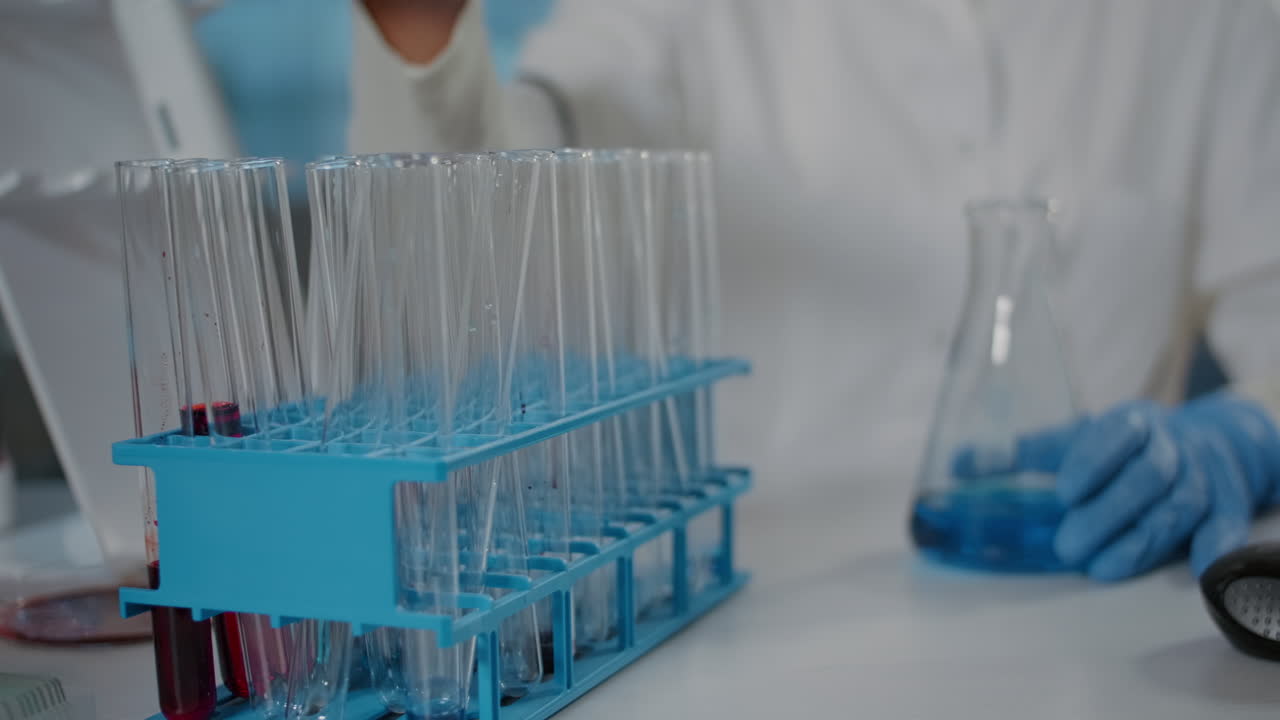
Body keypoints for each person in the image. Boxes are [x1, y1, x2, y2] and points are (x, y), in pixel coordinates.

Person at [349, 0, 1280, 581]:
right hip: (758, 625)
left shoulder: (1215, 17)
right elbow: (498, 193)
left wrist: (1250, 437)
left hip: (1108, 614)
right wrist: (421, 32)